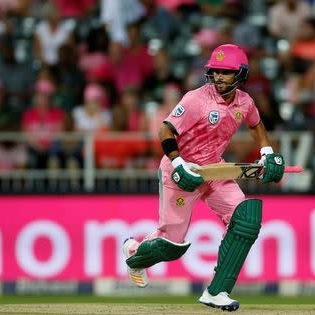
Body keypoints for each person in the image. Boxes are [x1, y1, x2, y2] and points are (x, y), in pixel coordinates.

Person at [122, 44, 285, 312]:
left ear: (240, 75)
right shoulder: (196, 99)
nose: (219, 76)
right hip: (181, 173)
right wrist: (178, 162)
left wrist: (267, 152)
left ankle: (216, 291)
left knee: (246, 219)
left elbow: (255, 124)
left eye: (226, 72)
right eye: (216, 71)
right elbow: (165, 131)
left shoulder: (245, 102)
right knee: (171, 246)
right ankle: (135, 255)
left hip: (215, 171)